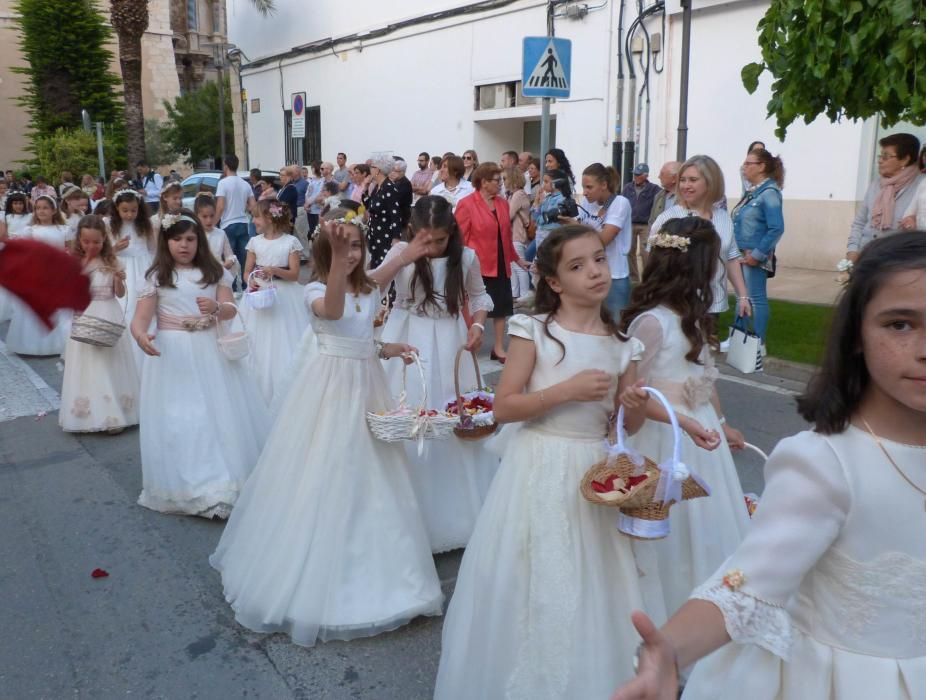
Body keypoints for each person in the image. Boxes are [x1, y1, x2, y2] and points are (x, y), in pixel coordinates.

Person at [611, 231, 926, 700]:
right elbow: (749, 582)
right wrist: (670, 651)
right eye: (900, 324)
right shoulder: (828, 463)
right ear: (857, 333)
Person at [209, 209, 443, 647]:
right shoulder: (313, 288)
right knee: (328, 467)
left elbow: (365, 323)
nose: (351, 254)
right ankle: (317, 567)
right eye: (341, 246)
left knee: (375, 473)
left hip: (368, 385)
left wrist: (387, 344)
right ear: (323, 250)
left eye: (356, 245)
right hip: (330, 390)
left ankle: (388, 570)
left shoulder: (369, 285)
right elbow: (333, 315)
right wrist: (337, 261)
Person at [435, 224, 650, 700]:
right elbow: (505, 406)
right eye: (578, 266)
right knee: (532, 574)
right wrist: (564, 392)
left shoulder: (623, 344)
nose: (594, 271)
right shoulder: (533, 331)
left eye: (598, 259)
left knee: (591, 579)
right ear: (554, 281)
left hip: (593, 473)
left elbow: (623, 426)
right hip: (538, 463)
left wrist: (631, 408)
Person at [622, 216, 751, 622]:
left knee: (709, 528)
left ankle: (713, 611)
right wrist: (686, 422)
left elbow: (703, 374)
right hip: (668, 440)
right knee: (676, 533)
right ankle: (670, 612)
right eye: (712, 261)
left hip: (701, 428)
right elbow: (635, 397)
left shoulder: (690, 313)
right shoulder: (652, 322)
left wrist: (722, 420)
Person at [377, 196, 498, 553]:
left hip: (449, 340)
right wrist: (404, 256)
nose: (431, 248)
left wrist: (477, 325)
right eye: (425, 240)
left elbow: (479, 297)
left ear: (452, 234)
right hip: (406, 337)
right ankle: (401, 511)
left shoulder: (467, 257)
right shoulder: (401, 252)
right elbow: (372, 288)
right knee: (408, 411)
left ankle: (454, 512)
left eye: (439, 241)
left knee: (448, 417)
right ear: (413, 231)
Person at [131, 209, 269, 519]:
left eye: (190, 239)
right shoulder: (157, 277)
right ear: (165, 242)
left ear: (200, 241)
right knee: (183, 418)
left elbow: (232, 309)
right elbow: (140, 319)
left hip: (210, 351)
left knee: (216, 414)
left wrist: (218, 307)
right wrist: (141, 336)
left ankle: (221, 485)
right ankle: (189, 483)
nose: (184, 245)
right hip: (173, 355)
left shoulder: (214, 271)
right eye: (177, 239)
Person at [59, 215, 139, 434]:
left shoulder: (112, 261)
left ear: (104, 240)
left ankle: (116, 411)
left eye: (96, 242)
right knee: (89, 364)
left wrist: (119, 279)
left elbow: (120, 294)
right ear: (79, 241)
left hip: (108, 311)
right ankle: (91, 412)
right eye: (86, 242)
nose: (91, 246)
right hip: (85, 314)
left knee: (108, 362)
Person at [649, 155, 751, 321]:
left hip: (712, 305)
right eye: (683, 180)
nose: (685, 186)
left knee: (707, 345)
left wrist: (743, 296)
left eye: (693, 180)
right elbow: (654, 263)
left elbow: (731, 257)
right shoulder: (668, 218)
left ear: (710, 182)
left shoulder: (723, 218)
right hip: (676, 306)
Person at [240, 200, 310, 406]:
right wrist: (250, 281)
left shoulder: (290, 242)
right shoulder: (254, 242)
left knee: (283, 340)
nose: (253, 221)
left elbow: (295, 274)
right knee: (257, 340)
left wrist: (276, 270)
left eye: (256, 217)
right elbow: (246, 271)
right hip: (259, 293)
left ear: (269, 218)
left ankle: (285, 390)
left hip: (284, 297)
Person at [455, 162, 523, 362]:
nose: (501, 184)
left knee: (501, 307)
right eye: (497, 180)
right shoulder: (467, 204)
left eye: (501, 180)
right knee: (476, 307)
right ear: (483, 182)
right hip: (478, 264)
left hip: (500, 262)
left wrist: (517, 260)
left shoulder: (502, 203)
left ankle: (499, 347)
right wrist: (459, 264)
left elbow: (506, 236)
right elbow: (460, 237)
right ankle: (473, 344)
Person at [6, 194, 73, 355]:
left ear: (53, 210)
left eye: (45, 208)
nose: (41, 211)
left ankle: (60, 342)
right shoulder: (30, 230)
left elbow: (71, 250)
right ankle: (31, 344)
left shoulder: (64, 229)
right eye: (38, 208)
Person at [733, 148, 786, 344]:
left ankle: (757, 342)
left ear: (761, 167)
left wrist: (758, 254)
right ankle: (739, 338)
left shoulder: (769, 193)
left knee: (756, 298)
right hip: (742, 255)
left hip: (753, 256)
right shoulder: (753, 192)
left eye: (748, 164)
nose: (744, 167)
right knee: (743, 297)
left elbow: (776, 228)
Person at [571, 163, 634, 317]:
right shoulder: (588, 203)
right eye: (583, 187)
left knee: (615, 328)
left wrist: (574, 226)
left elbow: (604, 240)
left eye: (589, 187)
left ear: (604, 185)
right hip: (590, 273)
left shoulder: (620, 203)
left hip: (614, 275)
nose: (584, 193)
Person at [847, 133, 922, 260]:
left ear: (905, 159)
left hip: (898, 261)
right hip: (866, 255)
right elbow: (860, 222)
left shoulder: (921, 186)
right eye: (880, 156)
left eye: (886, 157)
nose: (880, 160)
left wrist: (916, 223)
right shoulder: (876, 184)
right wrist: (852, 251)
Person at [109, 189, 156, 371]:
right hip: (124, 269)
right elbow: (104, 252)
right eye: (125, 210)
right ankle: (125, 353)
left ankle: (144, 343)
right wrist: (115, 248)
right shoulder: (110, 225)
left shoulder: (145, 225)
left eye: (133, 210)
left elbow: (152, 249)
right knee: (125, 306)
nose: (129, 214)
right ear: (117, 210)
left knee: (144, 304)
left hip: (143, 267)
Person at [215, 155, 256, 276]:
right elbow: (253, 206)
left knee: (229, 258)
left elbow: (220, 206)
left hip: (228, 224)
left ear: (226, 165)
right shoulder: (246, 184)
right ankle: (245, 285)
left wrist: (213, 224)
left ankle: (231, 287)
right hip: (243, 223)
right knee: (244, 258)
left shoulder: (223, 183)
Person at [622, 163, 661, 282]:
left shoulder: (655, 189)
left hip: (645, 225)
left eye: (638, 175)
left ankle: (647, 279)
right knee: (629, 251)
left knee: (646, 252)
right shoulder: (627, 187)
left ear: (646, 175)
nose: (635, 177)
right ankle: (633, 278)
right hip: (630, 223)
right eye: (635, 174)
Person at [364, 155, 405, 269]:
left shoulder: (389, 188)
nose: (369, 170)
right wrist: (365, 188)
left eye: (371, 167)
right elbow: (369, 206)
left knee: (383, 264)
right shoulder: (378, 187)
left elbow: (395, 214)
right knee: (375, 263)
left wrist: (396, 238)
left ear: (377, 170)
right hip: (375, 232)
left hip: (385, 233)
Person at [503, 166, 532, 300]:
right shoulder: (513, 194)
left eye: (505, 178)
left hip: (517, 234)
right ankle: (515, 293)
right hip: (513, 234)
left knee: (519, 265)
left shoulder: (518, 194)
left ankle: (524, 294)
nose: (503, 181)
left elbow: (508, 215)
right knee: (512, 265)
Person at [194, 193, 237, 274]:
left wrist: (230, 261)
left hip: (218, 272)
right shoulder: (194, 234)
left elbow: (229, 255)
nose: (209, 220)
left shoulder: (221, 233)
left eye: (212, 216)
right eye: (204, 216)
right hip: (199, 273)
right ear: (196, 216)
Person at [648, 161, 680, 227]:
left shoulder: (687, 197)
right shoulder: (659, 196)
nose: (659, 177)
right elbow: (651, 221)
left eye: (662, 174)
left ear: (674, 178)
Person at [391, 158, 413, 229]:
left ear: (402, 172)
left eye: (396, 171)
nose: (393, 173)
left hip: (401, 217)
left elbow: (396, 199)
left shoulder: (405, 183)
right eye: (392, 170)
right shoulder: (395, 182)